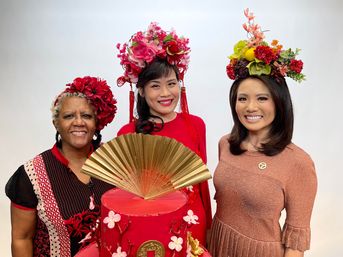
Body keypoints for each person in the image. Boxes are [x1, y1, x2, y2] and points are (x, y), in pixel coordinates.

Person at [208, 9, 317, 257]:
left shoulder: (298, 163)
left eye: (262, 98)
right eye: (242, 98)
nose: (250, 107)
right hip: (218, 244)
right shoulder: (225, 144)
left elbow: (295, 243)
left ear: (279, 103)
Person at [115, 22, 212, 245]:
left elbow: (201, 184)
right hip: (148, 224)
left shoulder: (195, 125)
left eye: (171, 83)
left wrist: (209, 226)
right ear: (141, 89)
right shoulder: (128, 133)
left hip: (192, 220)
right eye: (155, 86)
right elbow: (124, 194)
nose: (166, 93)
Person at [5, 76, 117, 257]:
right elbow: (21, 238)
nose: (79, 122)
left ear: (97, 123)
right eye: (69, 116)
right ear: (56, 123)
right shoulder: (31, 174)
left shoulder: (114, 161)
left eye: (87, 116)